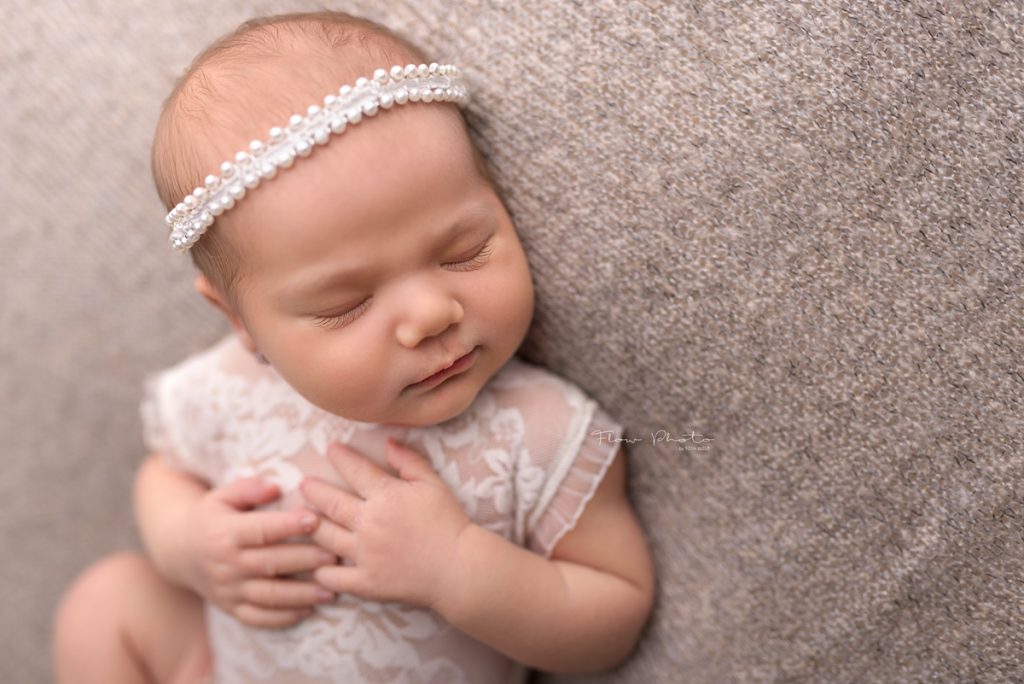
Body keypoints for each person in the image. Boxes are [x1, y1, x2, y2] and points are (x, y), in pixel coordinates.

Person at [53, 9, 655, 684]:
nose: (430, 315)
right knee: (106, 601)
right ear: (241, 322)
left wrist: (457, 568)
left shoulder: (540, 431)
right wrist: (187, 542)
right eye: (346, 304)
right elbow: (163, 473)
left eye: (464, 250)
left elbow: (615, 612)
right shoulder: (231, 389)